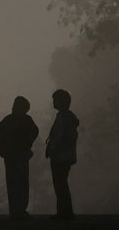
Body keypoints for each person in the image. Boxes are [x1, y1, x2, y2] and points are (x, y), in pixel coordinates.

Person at [0, 96, 40, 220]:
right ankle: (21, 210)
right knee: (22, 182)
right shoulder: (27, 120)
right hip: (21, 155)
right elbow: (35, 131)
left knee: (11, 182)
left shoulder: (8, 119)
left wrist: (7, 137)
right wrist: (26, 141)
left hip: (9, 155)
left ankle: (13, 210)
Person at [45, 89, 79, 221]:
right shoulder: (67, 117)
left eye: (55, 100)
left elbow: (60, 137)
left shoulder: (63, 117)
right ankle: (65, 211)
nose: (53, 102)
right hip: (64, 155)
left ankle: (64, 212)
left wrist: (53, 149)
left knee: (60, 184)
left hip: (60, 156)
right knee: (61, 184)